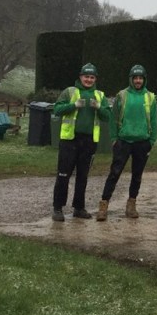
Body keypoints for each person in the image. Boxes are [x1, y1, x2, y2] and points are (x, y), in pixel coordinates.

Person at [51, 62, 111, 221]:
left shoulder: (100, 95)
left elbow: (107, 116)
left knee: (83, 176)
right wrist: (73, 106)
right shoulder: (70, 91)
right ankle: (57, 208)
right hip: (69, 140)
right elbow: (57, 110)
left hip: (89, 141)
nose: (89, 80)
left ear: (95, 79)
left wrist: (99, 107)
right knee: (63, 175)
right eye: (86, 77)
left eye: (92, 77)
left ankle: (79, 208)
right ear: (80, 77)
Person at [96, 64, 157, 221]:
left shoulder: (150, 97)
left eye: (140, 78)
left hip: (142, 142)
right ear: (131, 79)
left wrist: (151, 140)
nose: (138, 81)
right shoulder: (122, 95)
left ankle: (131, 205)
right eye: (135, 78)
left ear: (144, 80)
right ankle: (103, 205)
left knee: (137, 175)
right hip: (123, 141)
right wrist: (114, 139)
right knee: (114, 173)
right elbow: (113, 118)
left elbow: (154, 121)